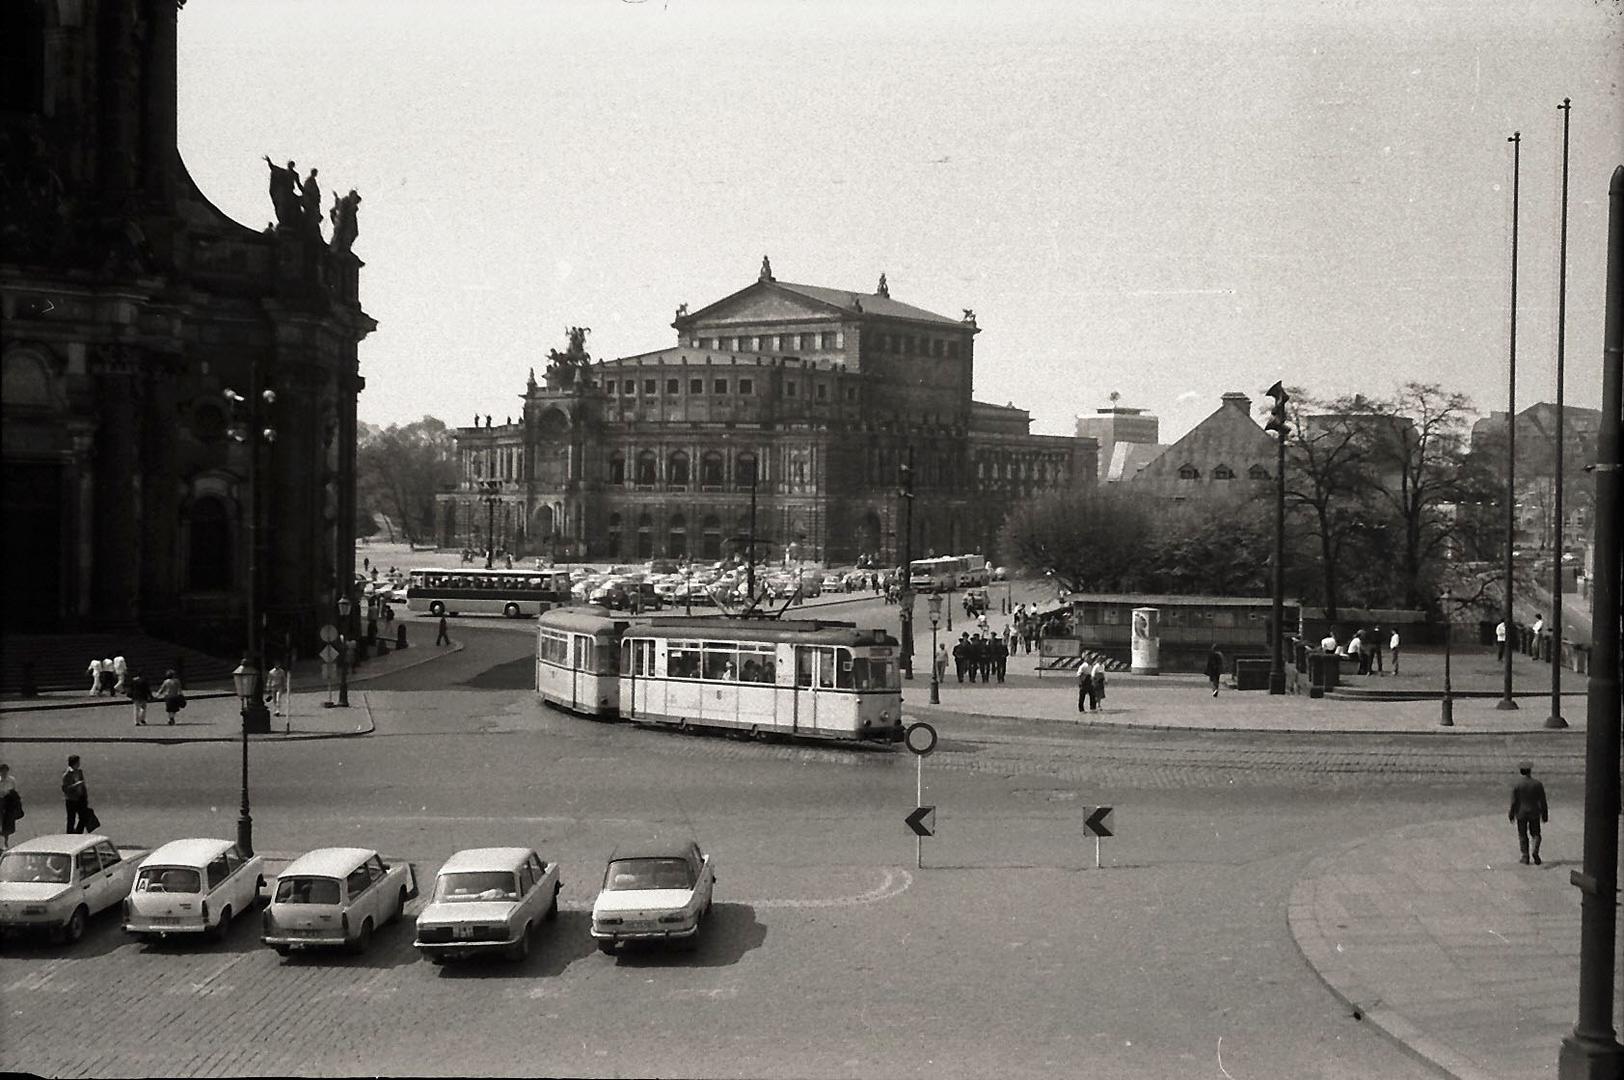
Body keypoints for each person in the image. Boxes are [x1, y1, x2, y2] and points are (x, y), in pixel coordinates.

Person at [1508, 761, 1549, 865]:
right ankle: (1535, 850)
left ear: (1521, 772)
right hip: (1534, 812)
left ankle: (1525, 856)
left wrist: (1511, 813)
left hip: (1521, 812)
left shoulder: (1517, 785)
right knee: (1536, 833)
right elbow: (1543, 801)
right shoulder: (1537, 784)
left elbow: (1514, 801)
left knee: (1522, 834)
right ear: (1530, 771)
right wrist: (1545, 814)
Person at [61, 755, 89, 834]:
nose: (79, 764)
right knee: (71, 819)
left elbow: (83, 785)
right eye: (78, 762)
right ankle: (70, 835)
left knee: (83, 817)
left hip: (80, 798)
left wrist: (85, 796)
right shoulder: (67, 775)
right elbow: (65, 789)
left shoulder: (79, 772)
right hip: (71, 800)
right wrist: (77, 785)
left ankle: (78, 833)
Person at [0, 764, 20, 850]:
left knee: (7, 822)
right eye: (2, 771)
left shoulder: (11, 780)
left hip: (8, 801)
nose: (4, 773)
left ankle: (5, 840)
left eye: (5, 771)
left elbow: (14, 790)